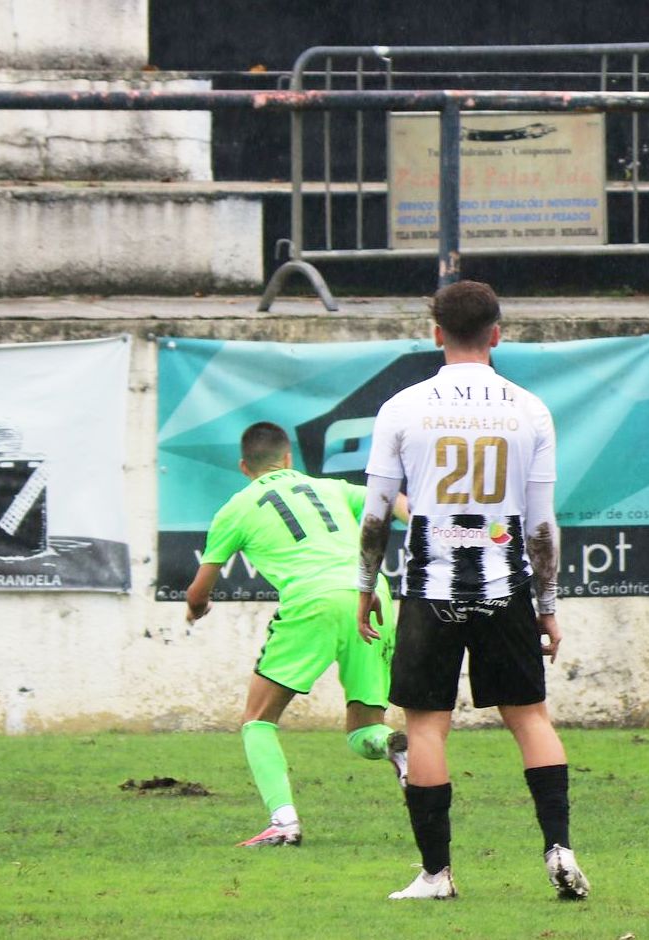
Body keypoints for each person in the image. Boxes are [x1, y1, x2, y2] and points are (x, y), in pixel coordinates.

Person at [356, 280, 588, 902]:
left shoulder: (402, 408)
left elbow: (377, 512)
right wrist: (548, 606)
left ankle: (436, 875)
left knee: (427, 728)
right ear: (497, 334)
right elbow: (541, 524)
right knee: (530, 719)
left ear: (435, 333)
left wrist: (363, 587)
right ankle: (559, 848)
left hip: (430, 586)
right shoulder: (529, 410)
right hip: (504, 583)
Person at [184, 422, 410, 847]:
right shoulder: (328, 488)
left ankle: (284, 822)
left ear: (244, 467)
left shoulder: (236, 508)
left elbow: (199, 589)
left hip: (312, 601)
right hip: (370, 593)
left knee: (257, 721)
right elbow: (392, 500)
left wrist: (196, 610)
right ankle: (396, 747)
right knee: (364, 731)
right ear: (289, 459)